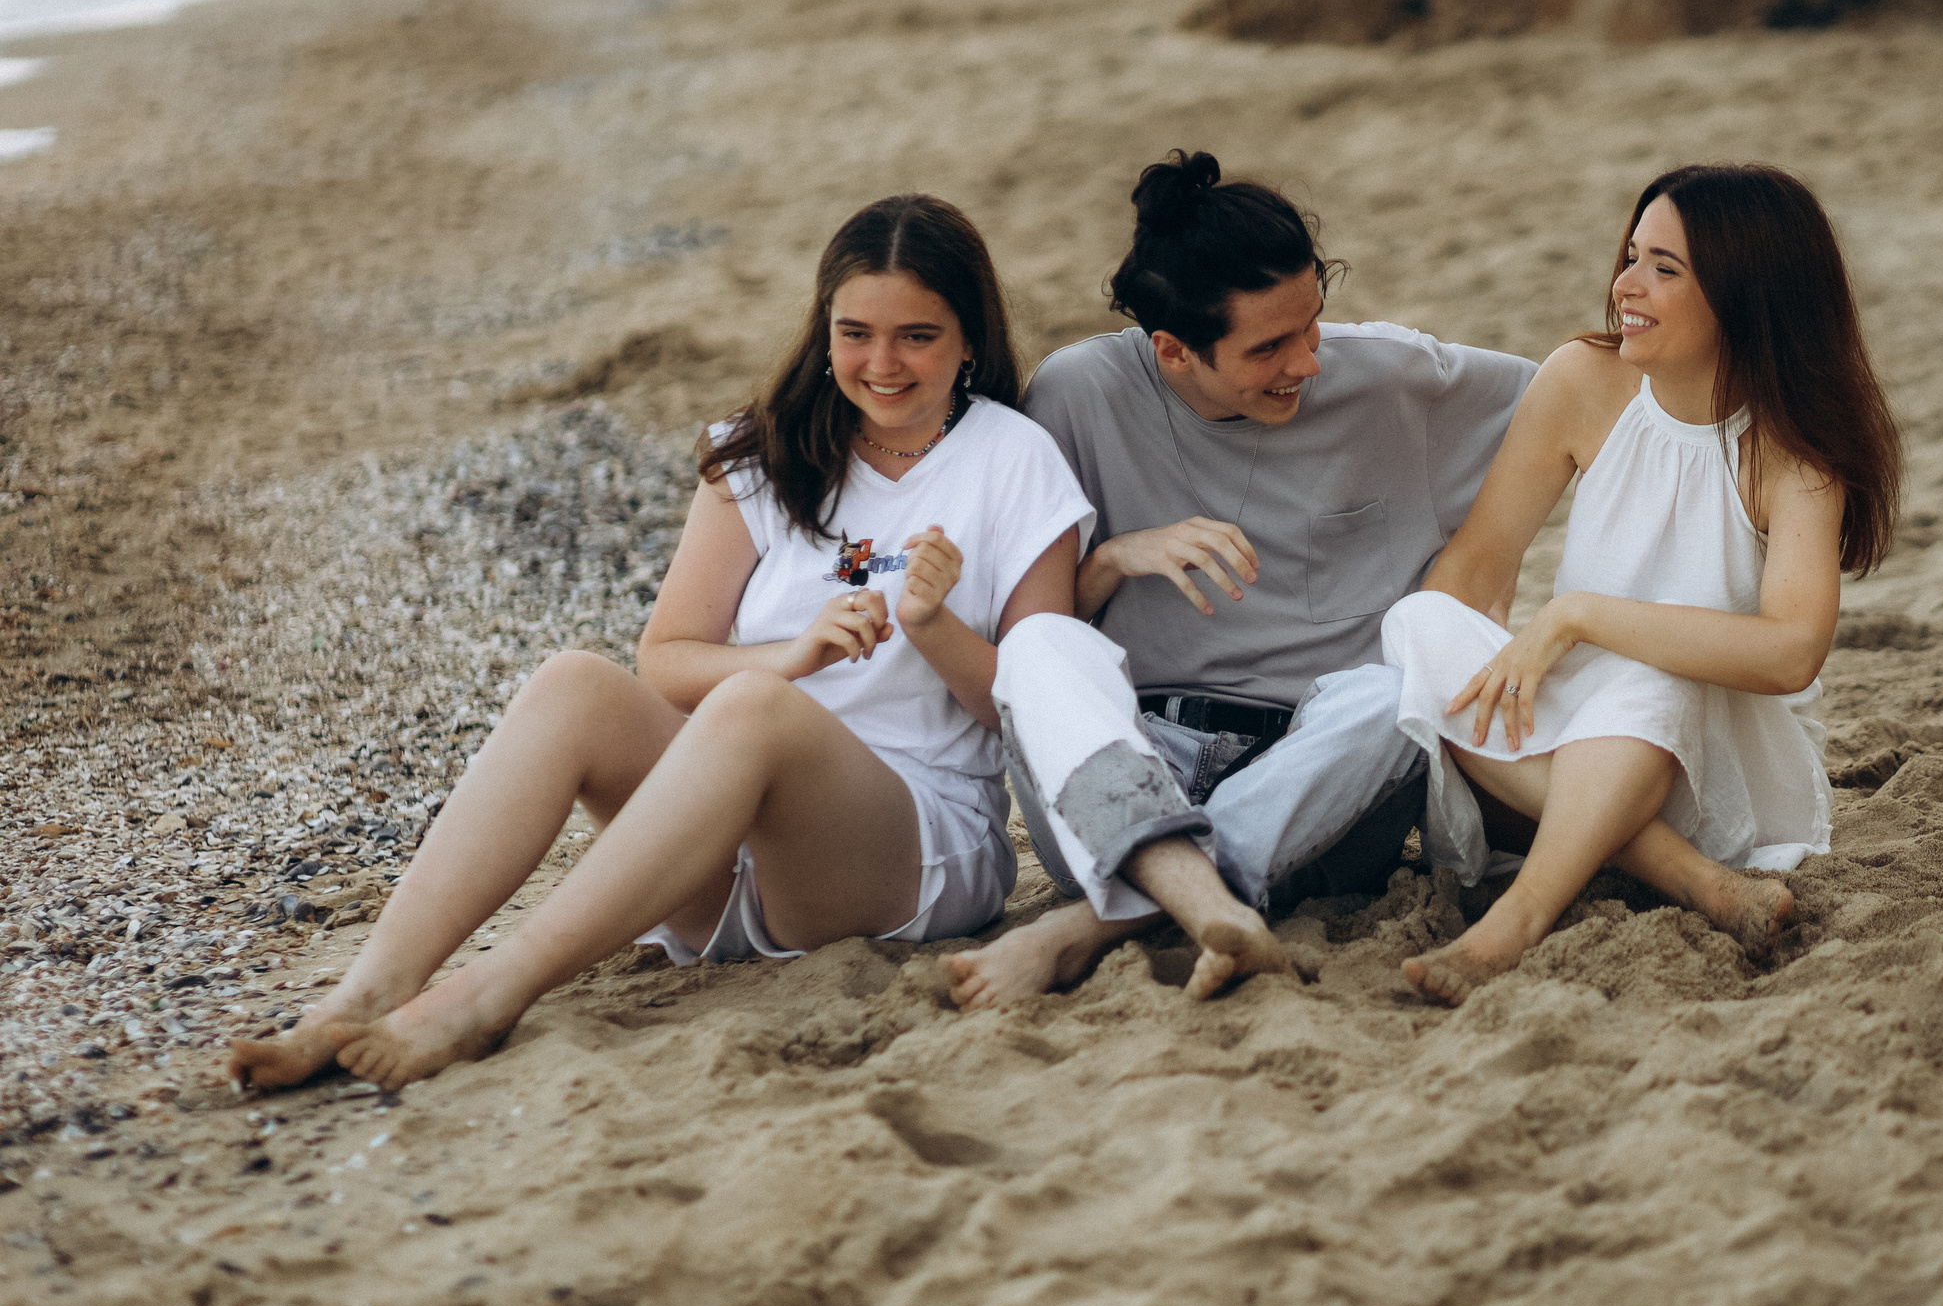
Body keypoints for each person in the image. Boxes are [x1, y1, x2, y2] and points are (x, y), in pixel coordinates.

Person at [227, 196, 1090, 1089]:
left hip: (906, 851)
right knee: (576, 682)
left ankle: (486, 997)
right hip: (712, 842)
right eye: (854, 332)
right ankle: (365, 993)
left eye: (917, 335)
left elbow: (1034, 709)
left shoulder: (1015, 460)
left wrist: (929, 624)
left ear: (967, 340)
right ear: (823, 328)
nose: (880, 362)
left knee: (754, 709)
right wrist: (793, 656)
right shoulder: (767, 451)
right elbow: (667, 657)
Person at [945, 151, 1537, 1008]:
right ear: (1175, 350)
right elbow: (1023, 650)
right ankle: (1190, 896)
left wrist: (1487, 563)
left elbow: (1578, 402)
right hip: (1130, 775)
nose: (1309, 363)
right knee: (1040, 643)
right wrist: (1113, 558)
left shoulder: (1397, 379)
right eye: (1270, 347)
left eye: (1313, 326)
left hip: (1325, 790)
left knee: (1401, 685)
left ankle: (1089, 926)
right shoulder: (1078, 395)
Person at [1382, 163, 1900, 1004]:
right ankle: (1697, 884)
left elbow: (1793, 651)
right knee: (1418, 621)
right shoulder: (1582, 382)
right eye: (1631, 256)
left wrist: (1580, 615)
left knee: (1653, 673)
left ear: (1746, 295)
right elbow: (1474, 571)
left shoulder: (1793, 453)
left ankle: (1515, 924)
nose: (1627, 285)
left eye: (1666, 269)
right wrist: (1486, 683)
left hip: (1703, 761)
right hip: (1552, 759)